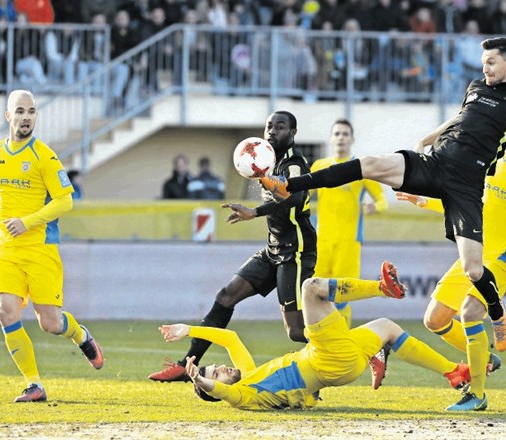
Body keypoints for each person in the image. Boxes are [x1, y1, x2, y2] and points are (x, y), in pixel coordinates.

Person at [261, 37, 506, 360]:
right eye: (483, 62)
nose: (485, 68)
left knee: (474, 269)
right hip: (435, 164)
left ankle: (496, 311)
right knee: (372, 164)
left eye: (491, 62)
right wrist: (429, 136)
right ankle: (290, 184)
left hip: (466, 184)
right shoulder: (476, 86)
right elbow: (461, 119)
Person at [397, 125, 506, 411]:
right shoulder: (490, 161)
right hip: (474, 253)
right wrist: (425, 201)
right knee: (434, 320)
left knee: (470, 311)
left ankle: (477, 394)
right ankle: (485, 359)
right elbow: (472, 205)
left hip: (503, 259)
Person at [157, 261, 471, 409]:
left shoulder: (249, 374)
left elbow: (232, 339)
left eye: (217, 367)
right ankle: (381, 288)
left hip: (335, 365)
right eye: (218, 375)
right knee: (311, 289)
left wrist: (189, 330)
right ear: (217, 390)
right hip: (325, 360)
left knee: (388, 327)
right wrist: (200, 380)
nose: (222, 370)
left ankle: (453, 373)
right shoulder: (243, 396)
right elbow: (221, 391)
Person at [149, 111, 317, 383]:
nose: (272, 131)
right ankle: (185, 366)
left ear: (293, 133)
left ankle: (350, 348)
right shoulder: (264, 161)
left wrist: (255, 212)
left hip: (296, 250)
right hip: (274, 248)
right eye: (269, 126)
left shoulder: (294, 163)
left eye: (280, 127)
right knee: (226, 296)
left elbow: (295, 199)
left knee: (296, 330)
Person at [0, 90, 104, 403]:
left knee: (49, 323)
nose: (26, 117)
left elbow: (65, 200)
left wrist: (28, 220)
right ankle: (33, 384)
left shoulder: (44, 156)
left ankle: (80, 335)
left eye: (32, 112)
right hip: (5, 251)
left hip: (40, 251)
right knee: (5, 312)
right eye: (20, 111)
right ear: (9, 116)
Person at [311, 118, 387, 329]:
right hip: (321, 240)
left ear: (352, 139)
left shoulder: (360, 169)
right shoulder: (319, 166)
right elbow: (304, 196)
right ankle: (318, 341)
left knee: (342, 293)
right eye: (337, 134)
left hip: (349, 241)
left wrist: (375, 207)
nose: (341, 138)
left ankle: (342, 338)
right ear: (330, 138)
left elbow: (382, 200)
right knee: (314, 290)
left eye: (345, 134)